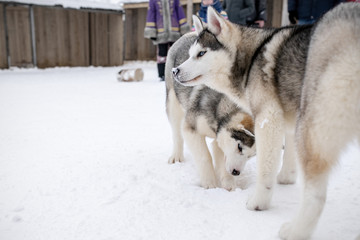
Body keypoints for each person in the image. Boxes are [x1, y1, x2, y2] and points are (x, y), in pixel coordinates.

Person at [144, 0, 190, 81]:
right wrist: (152, 31)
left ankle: (177, 73)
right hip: (160, 32)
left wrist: (183, 28)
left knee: (175, 53)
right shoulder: (153, 1)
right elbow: (151, 14)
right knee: (162, 54)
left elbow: (180, 12)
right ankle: (162, 74)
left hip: (175, 31)